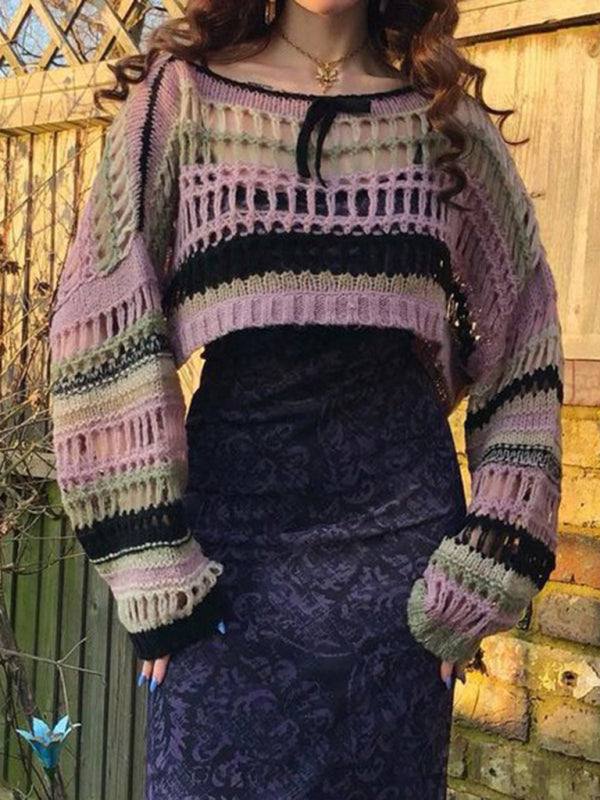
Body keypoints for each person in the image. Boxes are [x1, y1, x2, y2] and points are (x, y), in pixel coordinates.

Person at [47, 0, 563, 797]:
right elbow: (98, 323)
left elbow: (523, 327)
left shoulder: (439, 116)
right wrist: (150, 561)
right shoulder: (183, 99)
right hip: (225, 575)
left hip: (401, 582)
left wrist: (492, 556)